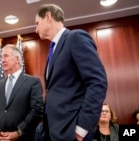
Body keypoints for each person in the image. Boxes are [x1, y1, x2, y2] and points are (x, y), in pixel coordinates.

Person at [35, 4, 107, 141]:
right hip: (54, 129)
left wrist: (82, 127)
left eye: (37, 23)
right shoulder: (52, 50)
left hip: (72, 128)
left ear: (48, 17)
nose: (35, 29)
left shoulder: (75, 37)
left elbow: (97, 82)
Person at [0, 44, 44, 141]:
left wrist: (19, 132)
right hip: (0, 138)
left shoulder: (33, 82)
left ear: (17, 59)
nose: (2, 60)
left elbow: (37, 110)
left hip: (24, 138)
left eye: (6, 56)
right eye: (1, 57)